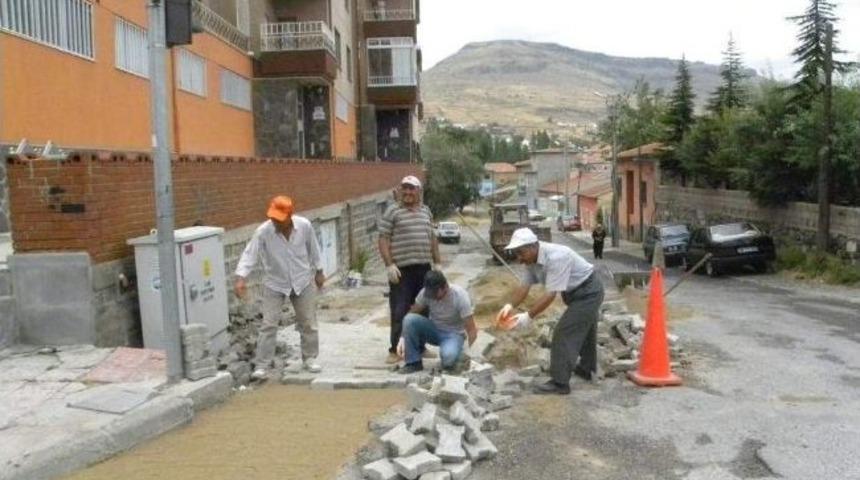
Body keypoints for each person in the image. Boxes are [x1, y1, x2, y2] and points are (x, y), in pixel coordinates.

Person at [234, 195, 326, 380]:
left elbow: (314, 248)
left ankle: (309, 358)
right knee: (269, 324)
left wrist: (319, 271)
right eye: (273, 217)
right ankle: (262, 365)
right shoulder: (264, 231)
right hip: (275, 283)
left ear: (289, 216)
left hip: (302, 280)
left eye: (279, 218)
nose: (274, 221)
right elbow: (249, 254)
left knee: (308, 322)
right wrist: (241, 278)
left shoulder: (304, 226)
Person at [504, 228, 604, 395]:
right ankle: (587, 369)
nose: (519, 259)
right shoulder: (531, 261)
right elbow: (524, 287)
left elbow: (550, 295)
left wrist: (528, 317)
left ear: (533, 247)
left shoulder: (557, 257)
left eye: (520, 253)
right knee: (585, 330)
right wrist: (509, 306)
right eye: (516, 254)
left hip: (589, 292)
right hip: (575, 293)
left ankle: (560, 383)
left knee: (563, 333)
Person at [378, 175, 441, 364]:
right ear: (400, 191)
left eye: (411, 189)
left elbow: (432, 238)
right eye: (404, 188)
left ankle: (419, 347)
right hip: (401, 271)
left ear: (418, 192)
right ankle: (394, 349)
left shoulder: (426, 211)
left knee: (423, 309)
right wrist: (389, 265)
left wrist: (437, 263)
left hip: (424, 268)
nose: (407, 192)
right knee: (399, 310)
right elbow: (383, 239)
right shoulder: (392, 211)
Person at [397, 271, 478, 374]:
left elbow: (472, 330)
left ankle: (455, 353)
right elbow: (412, 312)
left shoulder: (460, 297)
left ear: (445, 287)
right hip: (433, 329)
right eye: (430, 293)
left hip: (453, 334)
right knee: (409, 319)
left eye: (435, 293)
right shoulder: (426, 293)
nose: (432, 296)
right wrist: (402, 338)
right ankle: (413, 363)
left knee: (448, 358)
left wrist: (468, 352)